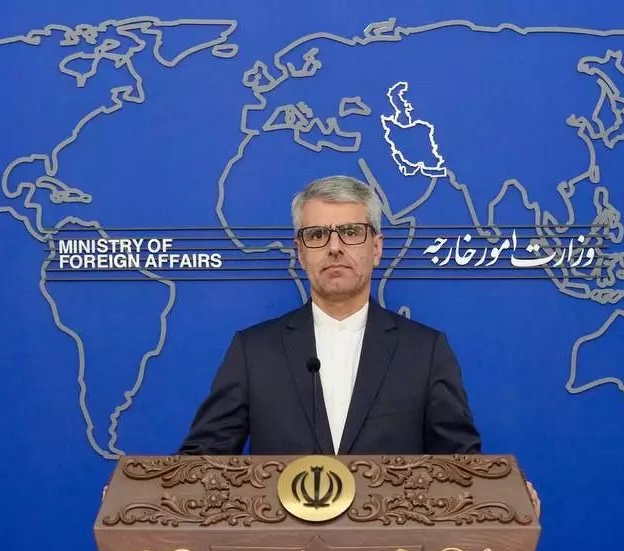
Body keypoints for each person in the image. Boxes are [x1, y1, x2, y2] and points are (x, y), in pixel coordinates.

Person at [178, 175, 481, 455]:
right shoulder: (253, 352)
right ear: (300, 252)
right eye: (317, 235)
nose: (334, 247)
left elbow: (464, 468)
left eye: (350, 232)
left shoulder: (425, 352)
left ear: (376, 248)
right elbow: (201, 461)